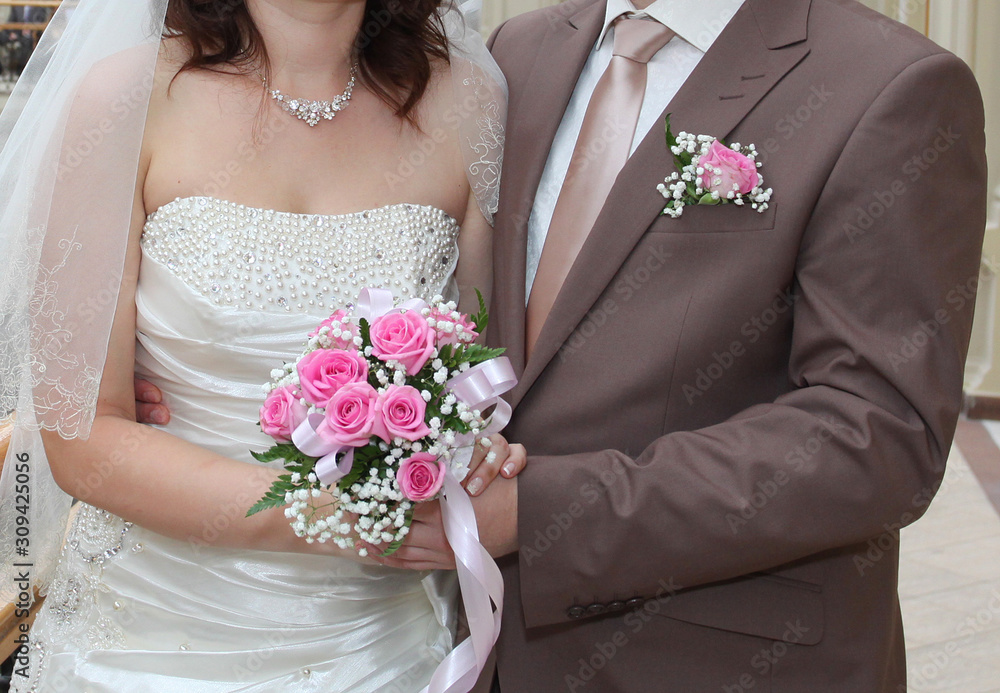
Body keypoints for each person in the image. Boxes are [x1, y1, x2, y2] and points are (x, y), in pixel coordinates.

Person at [136, 0, 988, 690]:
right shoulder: (519, 56)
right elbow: (457, 310)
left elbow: (877, 434)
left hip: (712, 649)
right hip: (472, 638)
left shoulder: (887, 84)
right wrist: (182, 350)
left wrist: (547, 513)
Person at [0, 0, 523, 690]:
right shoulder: (127, 97)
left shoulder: (469, 100)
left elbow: (477, 369)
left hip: (386, 649)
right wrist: (327, 515)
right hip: (148, 639)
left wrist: (479, 451)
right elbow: (80, 434)